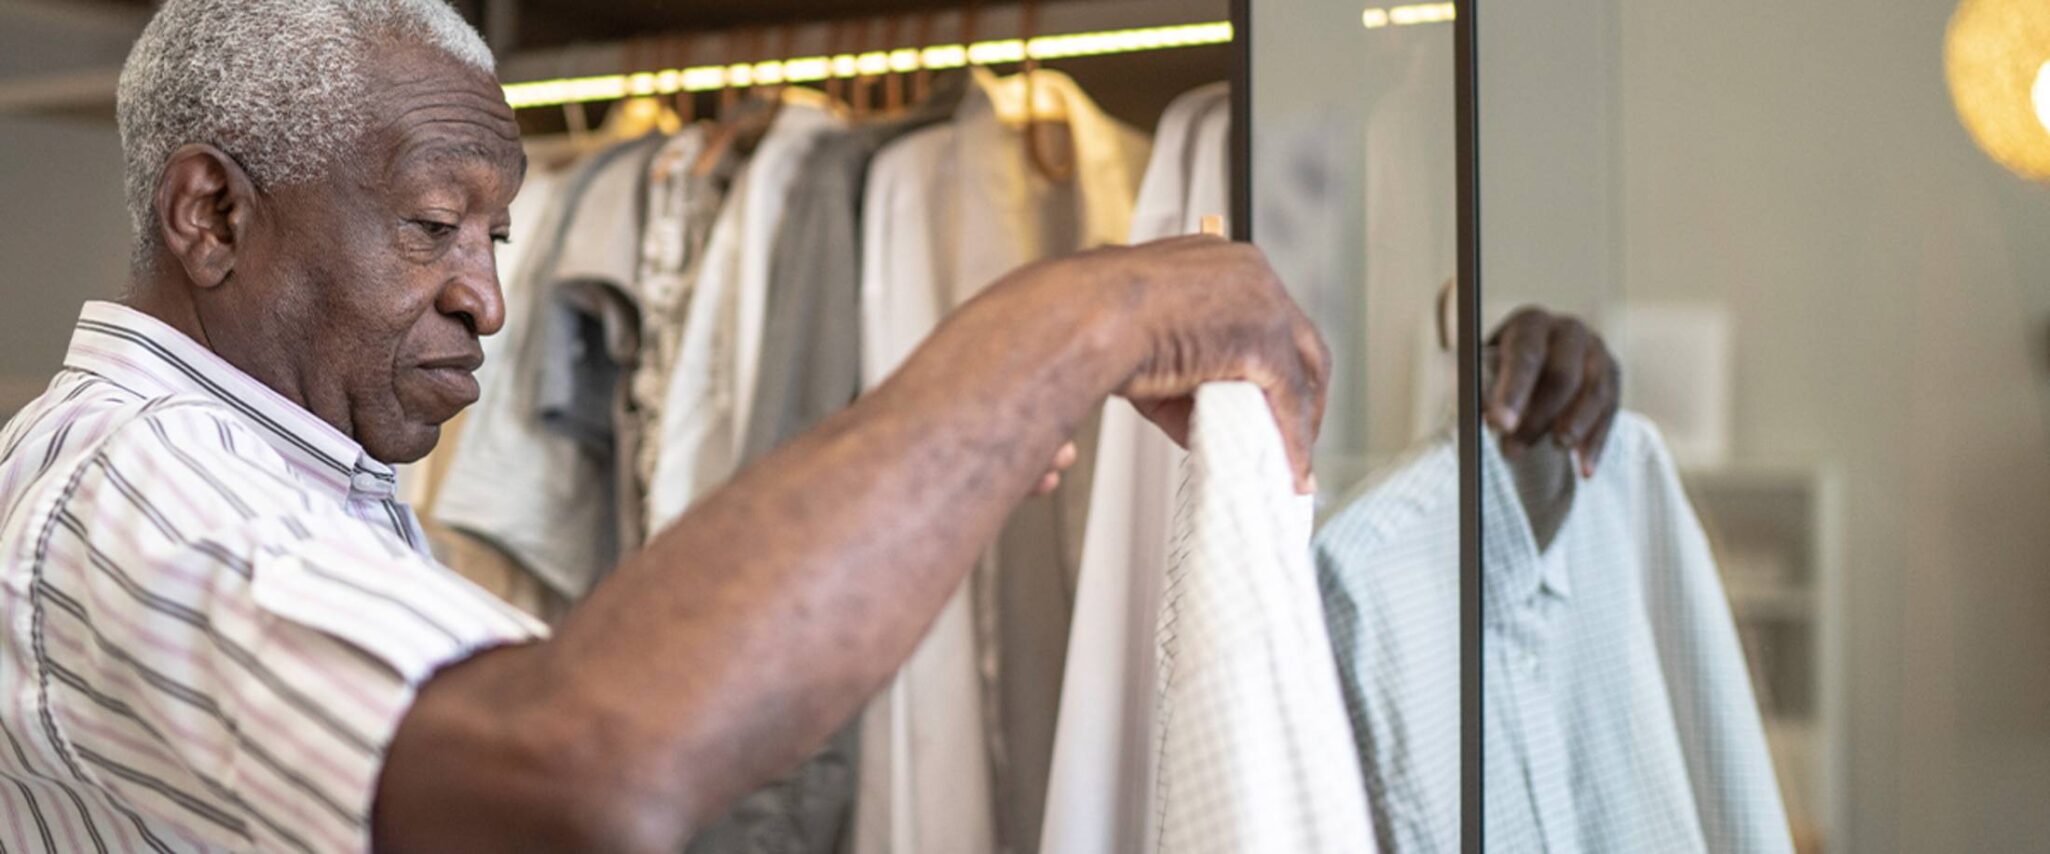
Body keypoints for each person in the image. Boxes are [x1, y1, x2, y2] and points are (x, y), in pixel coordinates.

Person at [0, 1, 1616, 852]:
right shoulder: (133, 501)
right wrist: (1073, 316)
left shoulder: (289, 469)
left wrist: (1491, 461)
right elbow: (582, 767)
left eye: (500, 234)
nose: (488, 297)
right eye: (435, 224)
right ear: (212, 213)